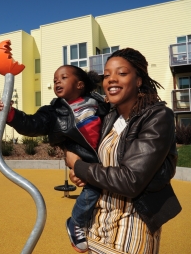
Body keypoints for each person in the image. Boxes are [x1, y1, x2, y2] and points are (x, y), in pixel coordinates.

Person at [65, 48, 181, 254]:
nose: (111, 79)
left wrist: (79, 166)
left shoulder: (157, 117)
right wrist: (79, 170)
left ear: (138, 80)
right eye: (107, 75)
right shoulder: (110, 117)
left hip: (132, 227)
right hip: (97, 223)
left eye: (122, 73)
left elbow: (130, 180)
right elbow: (91, 154)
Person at [0, 65, 110, 253]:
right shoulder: (54, 112)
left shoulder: (98, 102)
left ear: (80, 84)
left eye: (63, 77)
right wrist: (11, 115)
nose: (57, 81)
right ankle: (76, 222)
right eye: (55, 78)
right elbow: (32, 124)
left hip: (104, 157)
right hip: (87, 160)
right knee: (94, 188)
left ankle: (88, 224)